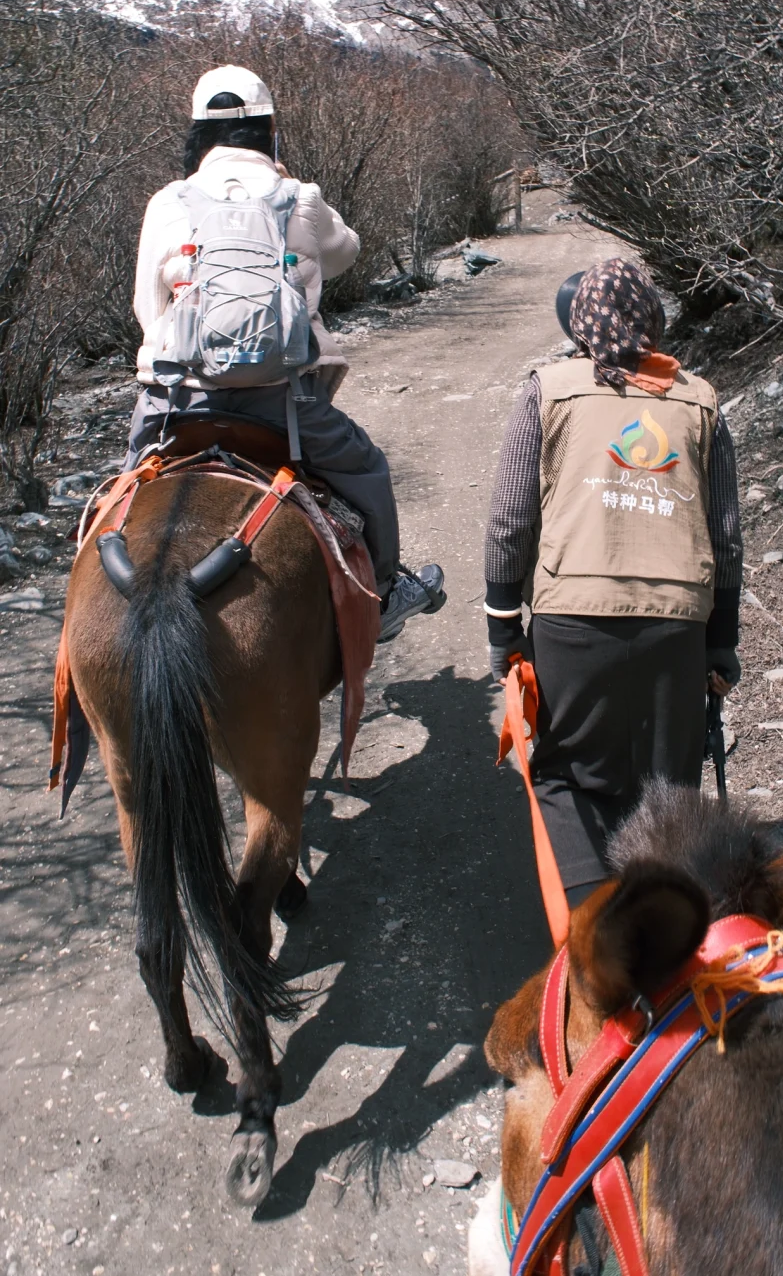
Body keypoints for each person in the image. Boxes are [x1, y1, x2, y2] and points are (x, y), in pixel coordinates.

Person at [126, 63, 444, 641]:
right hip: (284, 406)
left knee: (116, 506)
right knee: (367, 468)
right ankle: (390, 595)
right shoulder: (299, 197)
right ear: (271, 130)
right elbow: (345, 252)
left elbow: (147, 310)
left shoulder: (168, 202)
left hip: (176, 407)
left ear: (197, 134)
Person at [484, 257, 742, 906]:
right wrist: (720, 641)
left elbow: (511, 521)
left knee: (568, 776)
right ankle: (666, 939)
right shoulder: (699, 398)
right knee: (667, 789)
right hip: (676, 624)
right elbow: (727, 536)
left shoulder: (549, 388)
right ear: (653, 324)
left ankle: (590, 929)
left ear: (578, 322)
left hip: (573, 622)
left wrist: (502, 626)